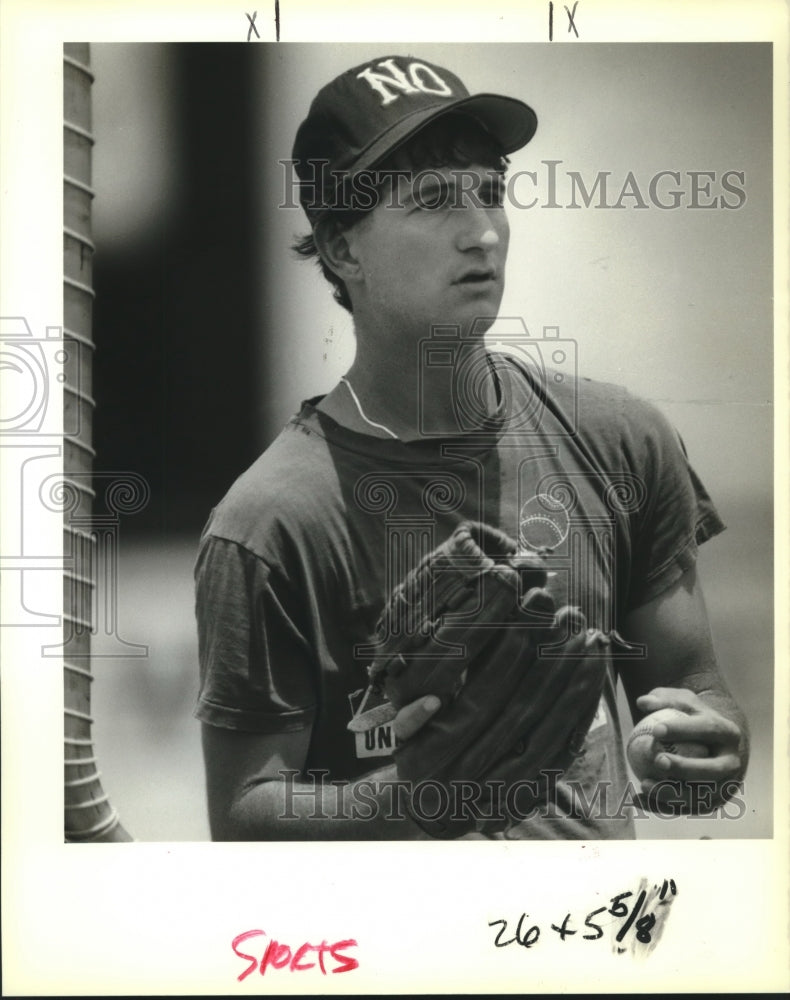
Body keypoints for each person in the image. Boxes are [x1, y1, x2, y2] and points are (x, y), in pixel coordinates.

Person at [194, 54, 749, 841]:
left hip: (591, 950)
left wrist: (706, 753)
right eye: (433, 201)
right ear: (343, 248)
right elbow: (243, 817)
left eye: (491, 192)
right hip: (399, 957)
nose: (483, 232)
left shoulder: (622, 442)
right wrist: (415, 794)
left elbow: (696, 695)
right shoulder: (270, 523)